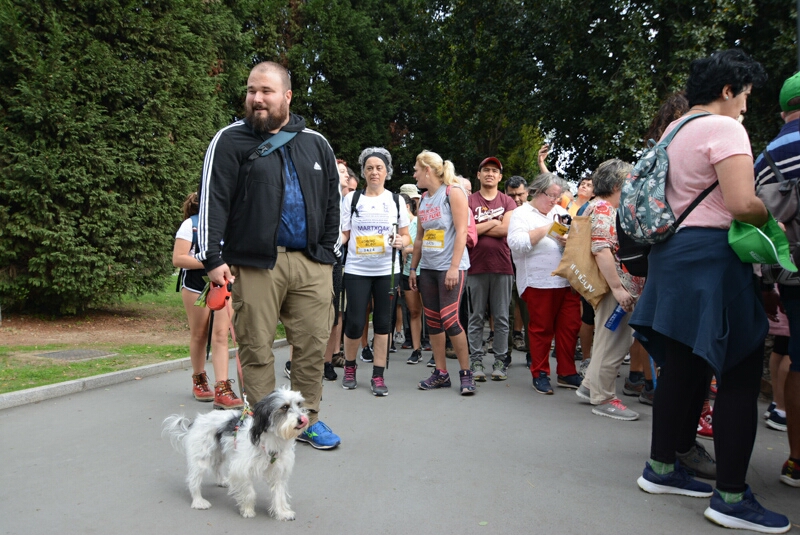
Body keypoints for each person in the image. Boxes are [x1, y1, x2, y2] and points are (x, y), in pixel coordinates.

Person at [629, 50, 790, 532]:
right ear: (727, 90)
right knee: (740, 370)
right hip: (712, 260)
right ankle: (732, 499)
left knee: (681, 366)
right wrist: (774, 211)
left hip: (672, 258)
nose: (745, 107)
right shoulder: (725, 129)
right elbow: (741, 204)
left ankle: (661, 467)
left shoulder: (674, 130)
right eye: (744, 96)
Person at [196, 61, 341, 450]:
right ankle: (261, 428)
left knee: (312, 346)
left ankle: (306, 420)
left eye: (266, 92)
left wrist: (327, 253)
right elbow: (213, 200)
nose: (256, 99)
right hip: (255, 264)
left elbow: (332, 203)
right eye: (251, 91)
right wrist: (212, 257)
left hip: (311, 263)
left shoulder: (316, 143)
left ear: (287, 97)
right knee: (256, 348)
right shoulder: (229, 140)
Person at [754, 70, 800, 488]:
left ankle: (796, 460)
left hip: (791, 274)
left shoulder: (766, 158)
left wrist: (767, 284)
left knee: (797, 355)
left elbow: (759, 228)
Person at [574, 159, 644, 421]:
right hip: (617, 287)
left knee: (607, 337)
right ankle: (604, 398)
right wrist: (619, 289)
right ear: (618, 184)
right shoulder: (604, 208)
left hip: (611, 286)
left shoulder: (595, 206)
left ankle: (589, 385)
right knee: (615, 342)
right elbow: (601, 249)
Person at [340, 148, 410, 396]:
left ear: (387, 172)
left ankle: (378, 375)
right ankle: (349, 367)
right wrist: (332, 241)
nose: (374, 172)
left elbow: (406, 236)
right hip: (357, 268)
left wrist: (402, 243)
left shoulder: (395, 200)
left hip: (387, 270)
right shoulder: (352, 199)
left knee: (383, 323)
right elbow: (345, 234)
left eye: (379, 168)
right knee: (355, 322)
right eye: (369, 168)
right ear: (363, 172)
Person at [507, 172, 581, 395]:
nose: (555, 201)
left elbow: (570, 237)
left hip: (565, 280)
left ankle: (567, 372)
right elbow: (516, 244)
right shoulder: (521, 214)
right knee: (541, 330)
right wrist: (547, 229)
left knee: (569, 327)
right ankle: (540, 372)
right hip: (539, 281)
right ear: (536, 192)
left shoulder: (560, 211)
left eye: (558, 197)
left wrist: (568, 239)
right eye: (551, 196)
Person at [411, 150, 476, 395]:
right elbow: (419, 238)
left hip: (451, 268)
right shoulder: (424, 198)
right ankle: (441, 373)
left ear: (428, 170)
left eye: (417, 169)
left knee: (450, 319)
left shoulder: (453, 192)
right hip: (428, 268)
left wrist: (453, 267)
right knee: (434, 322)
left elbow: (462, 232)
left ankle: (466, 373)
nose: (414, 174)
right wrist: (414, 269)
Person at [172, 192, 242, 410]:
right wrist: (210, 263)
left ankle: (222, 388)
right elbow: (178, 258)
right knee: (200, 333)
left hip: (222, 285)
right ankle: (199, 379)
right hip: (196, 284)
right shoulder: (190, 225)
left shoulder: (228, 225)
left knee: (221, 334)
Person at [466, 157, 517, 381]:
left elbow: (506, 230)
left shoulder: (508, 202)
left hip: (502, 266)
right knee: (475, 316)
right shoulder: (468, 201)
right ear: (478, 175)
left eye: (494, 171)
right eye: (485, 169)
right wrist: (493, 223)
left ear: (500, 177)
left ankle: (499, 361)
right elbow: (466, 231)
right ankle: (476, 360)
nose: (489, 173)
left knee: (502, 317)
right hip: (474, 266)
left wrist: (482, 228)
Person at [398, 186, 425, 365]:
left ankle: (435, 352)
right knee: (413, 311)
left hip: (426, 270)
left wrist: (407, 249)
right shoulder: (397, 225)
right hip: (407, 272)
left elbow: (422, 244)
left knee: (431, 313)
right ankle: (416, 350)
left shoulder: (418, 222)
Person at [504, 176, 530, 357]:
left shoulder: (533, 212)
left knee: (529, 313)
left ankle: (532, 354)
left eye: (520, 194)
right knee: (506, 312)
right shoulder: (502, 211)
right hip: (505, 266)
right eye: (511, 195)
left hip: (528, 268)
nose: (516, 199)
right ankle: (505, 355)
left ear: (527, 192)